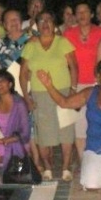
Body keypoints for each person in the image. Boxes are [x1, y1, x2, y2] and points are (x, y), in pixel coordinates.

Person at [37, 59, 101, 190]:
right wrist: (49, 85)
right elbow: (64, 103)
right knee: (91, 185)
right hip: (94, 149)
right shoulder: (90, 93)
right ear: (98, 76)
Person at [20, 10, 78, 181]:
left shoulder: (62, 42)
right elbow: (23, 73)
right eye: (41, 21)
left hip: (64, 92)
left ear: (54, 24)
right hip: (40, 94)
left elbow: (74, 66)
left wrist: (73, 91)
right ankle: (47, 168)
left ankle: (66, 167)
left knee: (66, 131)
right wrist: (26, 97)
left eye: (49, 20)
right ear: (37, 25)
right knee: (43, 134)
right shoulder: (31, 45)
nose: (45, 24)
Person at [63, 2, 101, 170]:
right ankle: (84, 163)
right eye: (78, 12)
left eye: (85, 11)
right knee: (80, 126)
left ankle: (100, 160)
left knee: (97, 124)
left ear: (91, 14)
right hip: (76, 85)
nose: (82, 15)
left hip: (97, 84)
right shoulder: (68, 34)